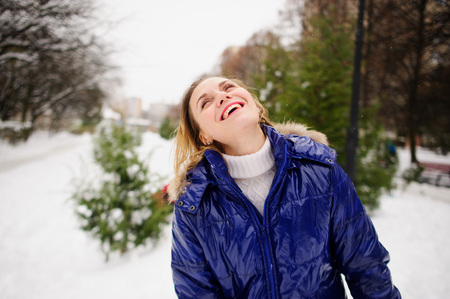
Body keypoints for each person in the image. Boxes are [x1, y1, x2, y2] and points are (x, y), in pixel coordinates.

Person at [168, 76, 401, 298]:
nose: (222, 96)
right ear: (204, 136)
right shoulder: (193, 206)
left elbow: (366, 266)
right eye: (206, 102)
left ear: (256, 106)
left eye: (228, 88)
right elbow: (196, 293)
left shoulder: (320, 170)